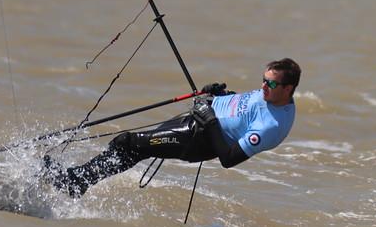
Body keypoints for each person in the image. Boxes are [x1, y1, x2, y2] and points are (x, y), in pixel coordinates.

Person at [44, 58, 300, 197]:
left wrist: (209, 119)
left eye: (271, 85)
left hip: (198, 139)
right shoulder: (273, 95)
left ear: (288, 89)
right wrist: (222, 95)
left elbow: (228, 158)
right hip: (197, 120)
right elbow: (245, 106)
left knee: (127, 143)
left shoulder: (272, 126)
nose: (264, 87)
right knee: (135, 149)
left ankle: (76, 182)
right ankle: (78, 181)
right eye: (263, 81)